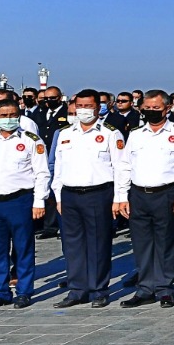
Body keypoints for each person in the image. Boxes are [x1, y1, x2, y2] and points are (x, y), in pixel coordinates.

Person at [112, 91, 174, 309]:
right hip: (138, 195)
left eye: (156, 108)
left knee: (166, 242)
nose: (151, 112)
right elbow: (125, 166)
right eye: (146, 107)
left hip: (167, 194)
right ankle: (145, 288)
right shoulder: (137, 134)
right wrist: (121, 196)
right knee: (141, 244)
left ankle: (165, 288)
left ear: (167, 109)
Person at [0, 100, 49, 309]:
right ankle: (0, 292)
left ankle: (24, 291)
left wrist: (39, 201)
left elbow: (42, 173)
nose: (8, 119)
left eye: (13, 114)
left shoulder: (31, 140)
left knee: (23, 248)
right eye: (3, 115)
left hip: (20, 201)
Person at [51, 90, 123, 309]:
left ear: (98, 107)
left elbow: (121, 167)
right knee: (73, 245)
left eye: (88, 106)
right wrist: (58, 196)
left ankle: (99, 289)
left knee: (98, 243)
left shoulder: (111, 133)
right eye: (79, 106)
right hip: (70, 194)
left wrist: (119, 198)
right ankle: (77, 289)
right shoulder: (66, 133)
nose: (83, 110)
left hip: (98, 193)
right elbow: (59, 167)